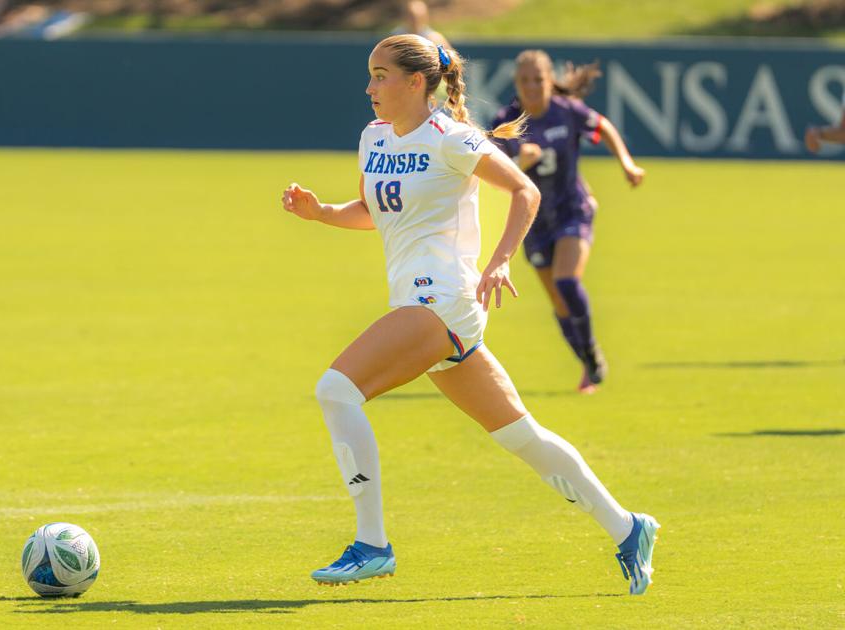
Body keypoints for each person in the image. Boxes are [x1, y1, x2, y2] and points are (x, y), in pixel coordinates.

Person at [280, 35, 658, 595]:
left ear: (416, 83)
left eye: (380, 75)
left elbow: (525, 192)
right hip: (423, 308)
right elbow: (373, 210)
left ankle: (372, 544)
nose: (369, 87)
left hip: (442, 303)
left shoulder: (452, 138)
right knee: (522, 437)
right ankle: (629, 528)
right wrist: (323, 213)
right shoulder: (373, 137)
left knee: (336, 390)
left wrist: (501, 260)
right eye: (369, 74)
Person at [489, 51, 644, 394]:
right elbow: (492, 177)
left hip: (573, 209)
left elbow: (603, 127)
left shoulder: (566, 111)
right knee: (559, 304)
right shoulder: (507, 121)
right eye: (525, 81)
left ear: (549, 80)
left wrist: (627, 164)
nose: (532, 87)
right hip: (533, 223)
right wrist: (518, 161)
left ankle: (591, 353)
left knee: (567, 282)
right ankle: (588, 362)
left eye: (539, 80)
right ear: (516, 84)